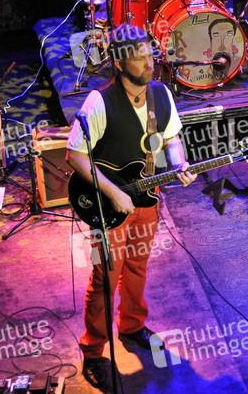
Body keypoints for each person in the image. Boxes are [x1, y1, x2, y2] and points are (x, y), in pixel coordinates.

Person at [66, 23, 196, 389]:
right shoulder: (99, 101)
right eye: (140, 58)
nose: (149, 63)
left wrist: (179, 164)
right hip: (110, 205)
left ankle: (132, 325)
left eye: (150, 55)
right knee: (105, 276)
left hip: (146, 199)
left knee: (137, 266)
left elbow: (171, 139)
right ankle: (93, 350)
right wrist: (112, 192)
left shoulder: (161, 94)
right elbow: (75, 155)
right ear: (120, 63)